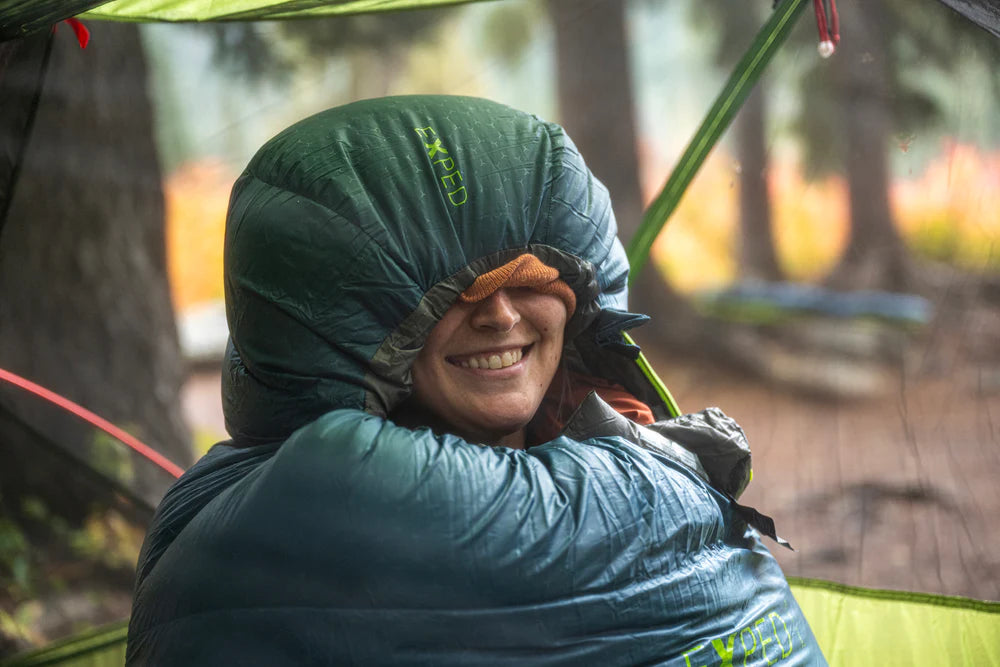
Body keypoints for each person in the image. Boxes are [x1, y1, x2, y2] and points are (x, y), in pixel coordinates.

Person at [126, 95, 826, 665]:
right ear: (358, 330)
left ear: (579, 301)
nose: (499, 315)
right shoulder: (294, 507)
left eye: (529, 278)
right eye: (448, 294)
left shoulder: (632, 447)